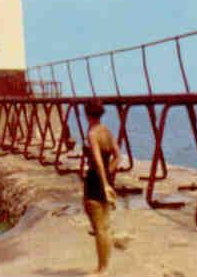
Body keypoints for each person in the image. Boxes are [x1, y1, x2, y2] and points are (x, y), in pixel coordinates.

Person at [82, 100, 120, 277]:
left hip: (95, 180)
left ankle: (101, 269)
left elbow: (97, 160)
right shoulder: (107, 132)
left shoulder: (92, 133)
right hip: (105, 178)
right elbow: (118, 156)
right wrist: (110, 175)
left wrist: (104, 183)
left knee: (99, 227)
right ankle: (105, 264)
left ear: (87, 113)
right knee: (103, 224)